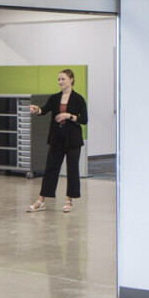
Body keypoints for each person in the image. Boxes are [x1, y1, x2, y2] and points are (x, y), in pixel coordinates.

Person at [27, 69, 88, 213]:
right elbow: (44, 110)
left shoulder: (79, 99)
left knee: (72, 169)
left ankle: (69, 200)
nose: (60, 82)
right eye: (59, 79)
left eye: (63, 79)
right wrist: (37, 110)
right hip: (56, 138)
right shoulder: (55, 98)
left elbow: (84, 119)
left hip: (72, 139)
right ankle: (41, 201)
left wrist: (69, 116)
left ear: (71, 80)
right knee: (51, 169)